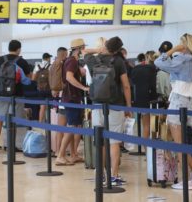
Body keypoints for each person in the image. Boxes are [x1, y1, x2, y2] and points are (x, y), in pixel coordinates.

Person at [154, 33, 192, 190]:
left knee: (179, 144)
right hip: (190, 102)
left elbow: (158, 62)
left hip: (178, 101)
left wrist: (172, 50)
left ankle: (185, 182)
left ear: (184, 44)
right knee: (182, 141)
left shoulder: (181, 59)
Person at [84, 36, 132, 186]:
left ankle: (101, 173)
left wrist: (99, 50)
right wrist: (128, 106)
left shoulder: (92, 60)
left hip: (97, 105)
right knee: (114, 142)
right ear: (118, 50)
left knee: (101, 142)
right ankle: (114, 175)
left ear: (105, 46)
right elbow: (125, 86)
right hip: (115, 106)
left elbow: (84, 51)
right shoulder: (118, 61)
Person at [0, 40, 32, 154]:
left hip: (1, 94)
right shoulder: (22, 61)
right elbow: (28, 79)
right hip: (17, 95)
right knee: (14, 120)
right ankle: (10, 145)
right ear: (18, 49)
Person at [55, 38, 89, 166]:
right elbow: (69, 77)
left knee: (73, 126)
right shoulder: (72, 61)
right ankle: (61, 155)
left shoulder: (71, 61)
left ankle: (73, 154)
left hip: (69, 98)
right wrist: (83, 87)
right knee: (72, 127)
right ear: (79, 49)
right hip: (72, 98)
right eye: (83, 48)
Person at [131, 53, 157, 141]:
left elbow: (132, 83)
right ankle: (149, 147)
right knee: (151, 125)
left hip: (138, 99)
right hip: (150, 100)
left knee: (145, 124)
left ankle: (145, 146)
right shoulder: (152, 69)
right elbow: (153, 85)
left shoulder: (135, 69)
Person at [50, 47, 69, 156]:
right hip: (63, 96)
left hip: (58, 96)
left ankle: (57, 150)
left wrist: (54, 89)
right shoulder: (61, 64)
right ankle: (59, 151)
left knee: (60, 126)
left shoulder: (53, 65)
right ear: (63, 54)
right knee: (63, 126)